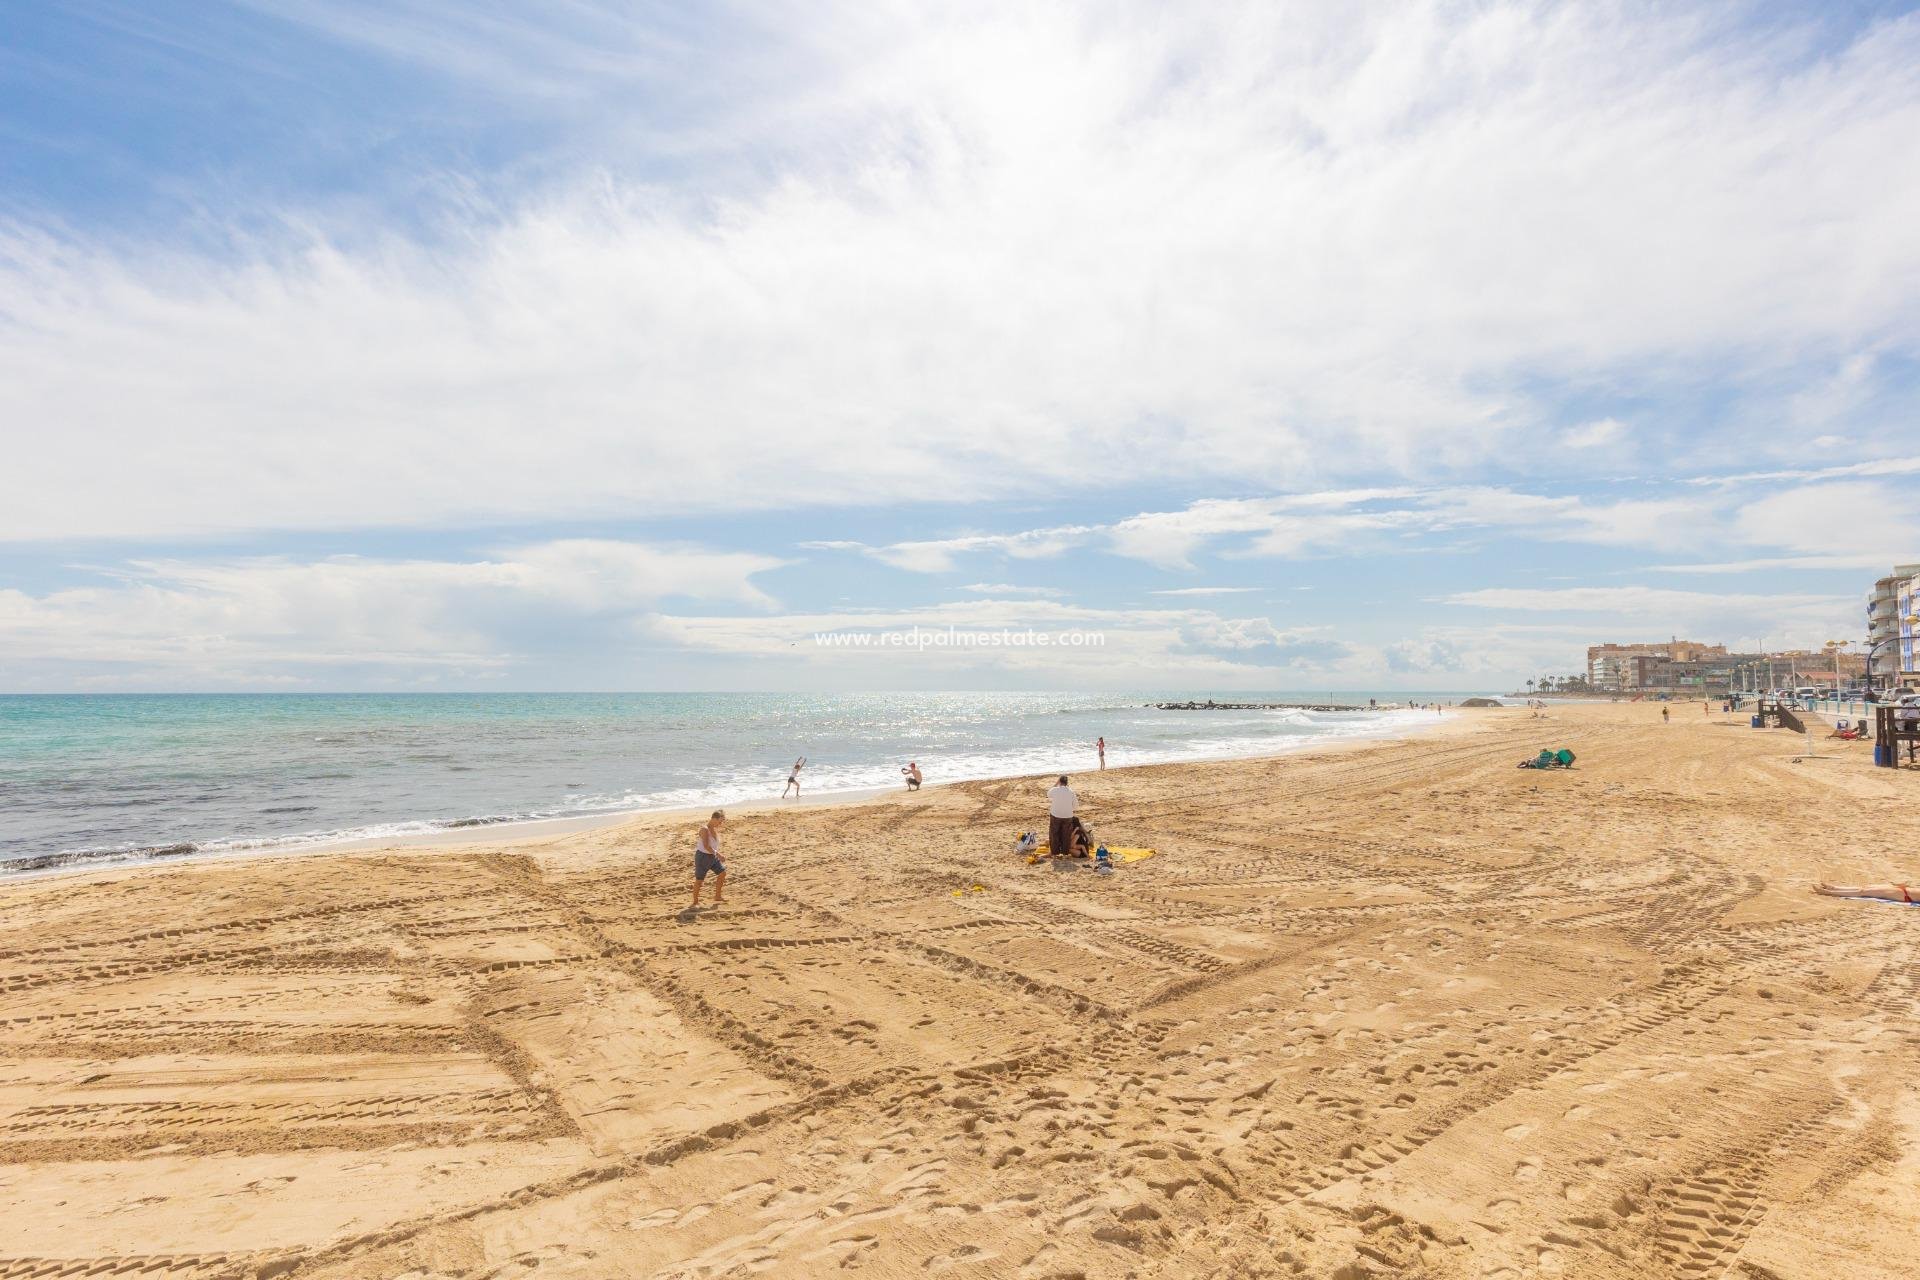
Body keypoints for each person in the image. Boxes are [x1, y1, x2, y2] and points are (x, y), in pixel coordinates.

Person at [691, 810, 727, 909]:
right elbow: (706, 846)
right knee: (699, 880)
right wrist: (718, 854)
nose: (721, 823)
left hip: (712, 856)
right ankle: (695, 902)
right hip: (703, 857)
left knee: (722, 873)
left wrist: (716, 855)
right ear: (714, 819)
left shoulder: (714, 829)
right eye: (720, 821)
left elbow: (713, 846)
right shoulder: (704, 829)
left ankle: (717, 896)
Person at [1047, 775, 1077, 859]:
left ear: (1060, 782)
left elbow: (1048, 794)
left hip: (1055, 815)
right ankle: (1065, 853)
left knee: (1054, 833)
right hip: (1067, 816)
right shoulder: (1071, 792)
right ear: (1067, 783)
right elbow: (1075, 806)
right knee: (1066, 835)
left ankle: (1055, 852)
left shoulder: (1055, 790)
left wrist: (1056, 783)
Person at [1815, 881, 1917, 904]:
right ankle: (1834, 888)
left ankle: (1828, 892)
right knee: (1866, 888)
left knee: (1863, 892)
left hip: (1903, 895)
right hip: (1902, 890)